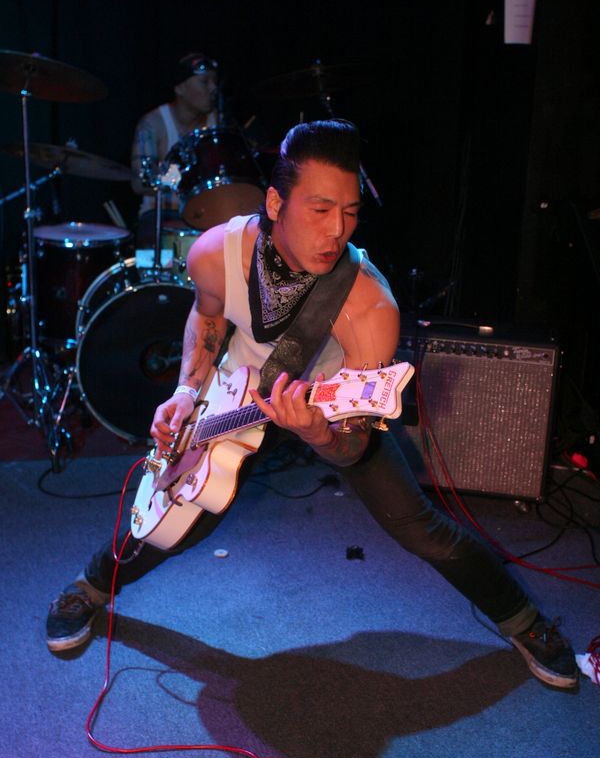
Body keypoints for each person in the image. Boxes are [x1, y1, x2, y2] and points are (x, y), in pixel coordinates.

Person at [47, 120, 578, 689]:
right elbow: (207, 315)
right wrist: (184, 390)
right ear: (276, 203)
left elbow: (353, 444)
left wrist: (319, 434)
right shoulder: (214, 253)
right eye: (320, 210)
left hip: (327, 405)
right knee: (184, 509)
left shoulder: (370, 307)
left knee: (418, 527)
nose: (337, 230)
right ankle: (90, 586)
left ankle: (524, 622)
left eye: (349, 213)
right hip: (239, 394)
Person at [130, 52, 219, 246]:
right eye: (205, 82)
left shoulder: (218, 122)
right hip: (161, 215)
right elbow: (139, 183)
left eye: (214, 81)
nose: (213, 88)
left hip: (208, 214)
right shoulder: (153, 124)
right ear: (180, 88)